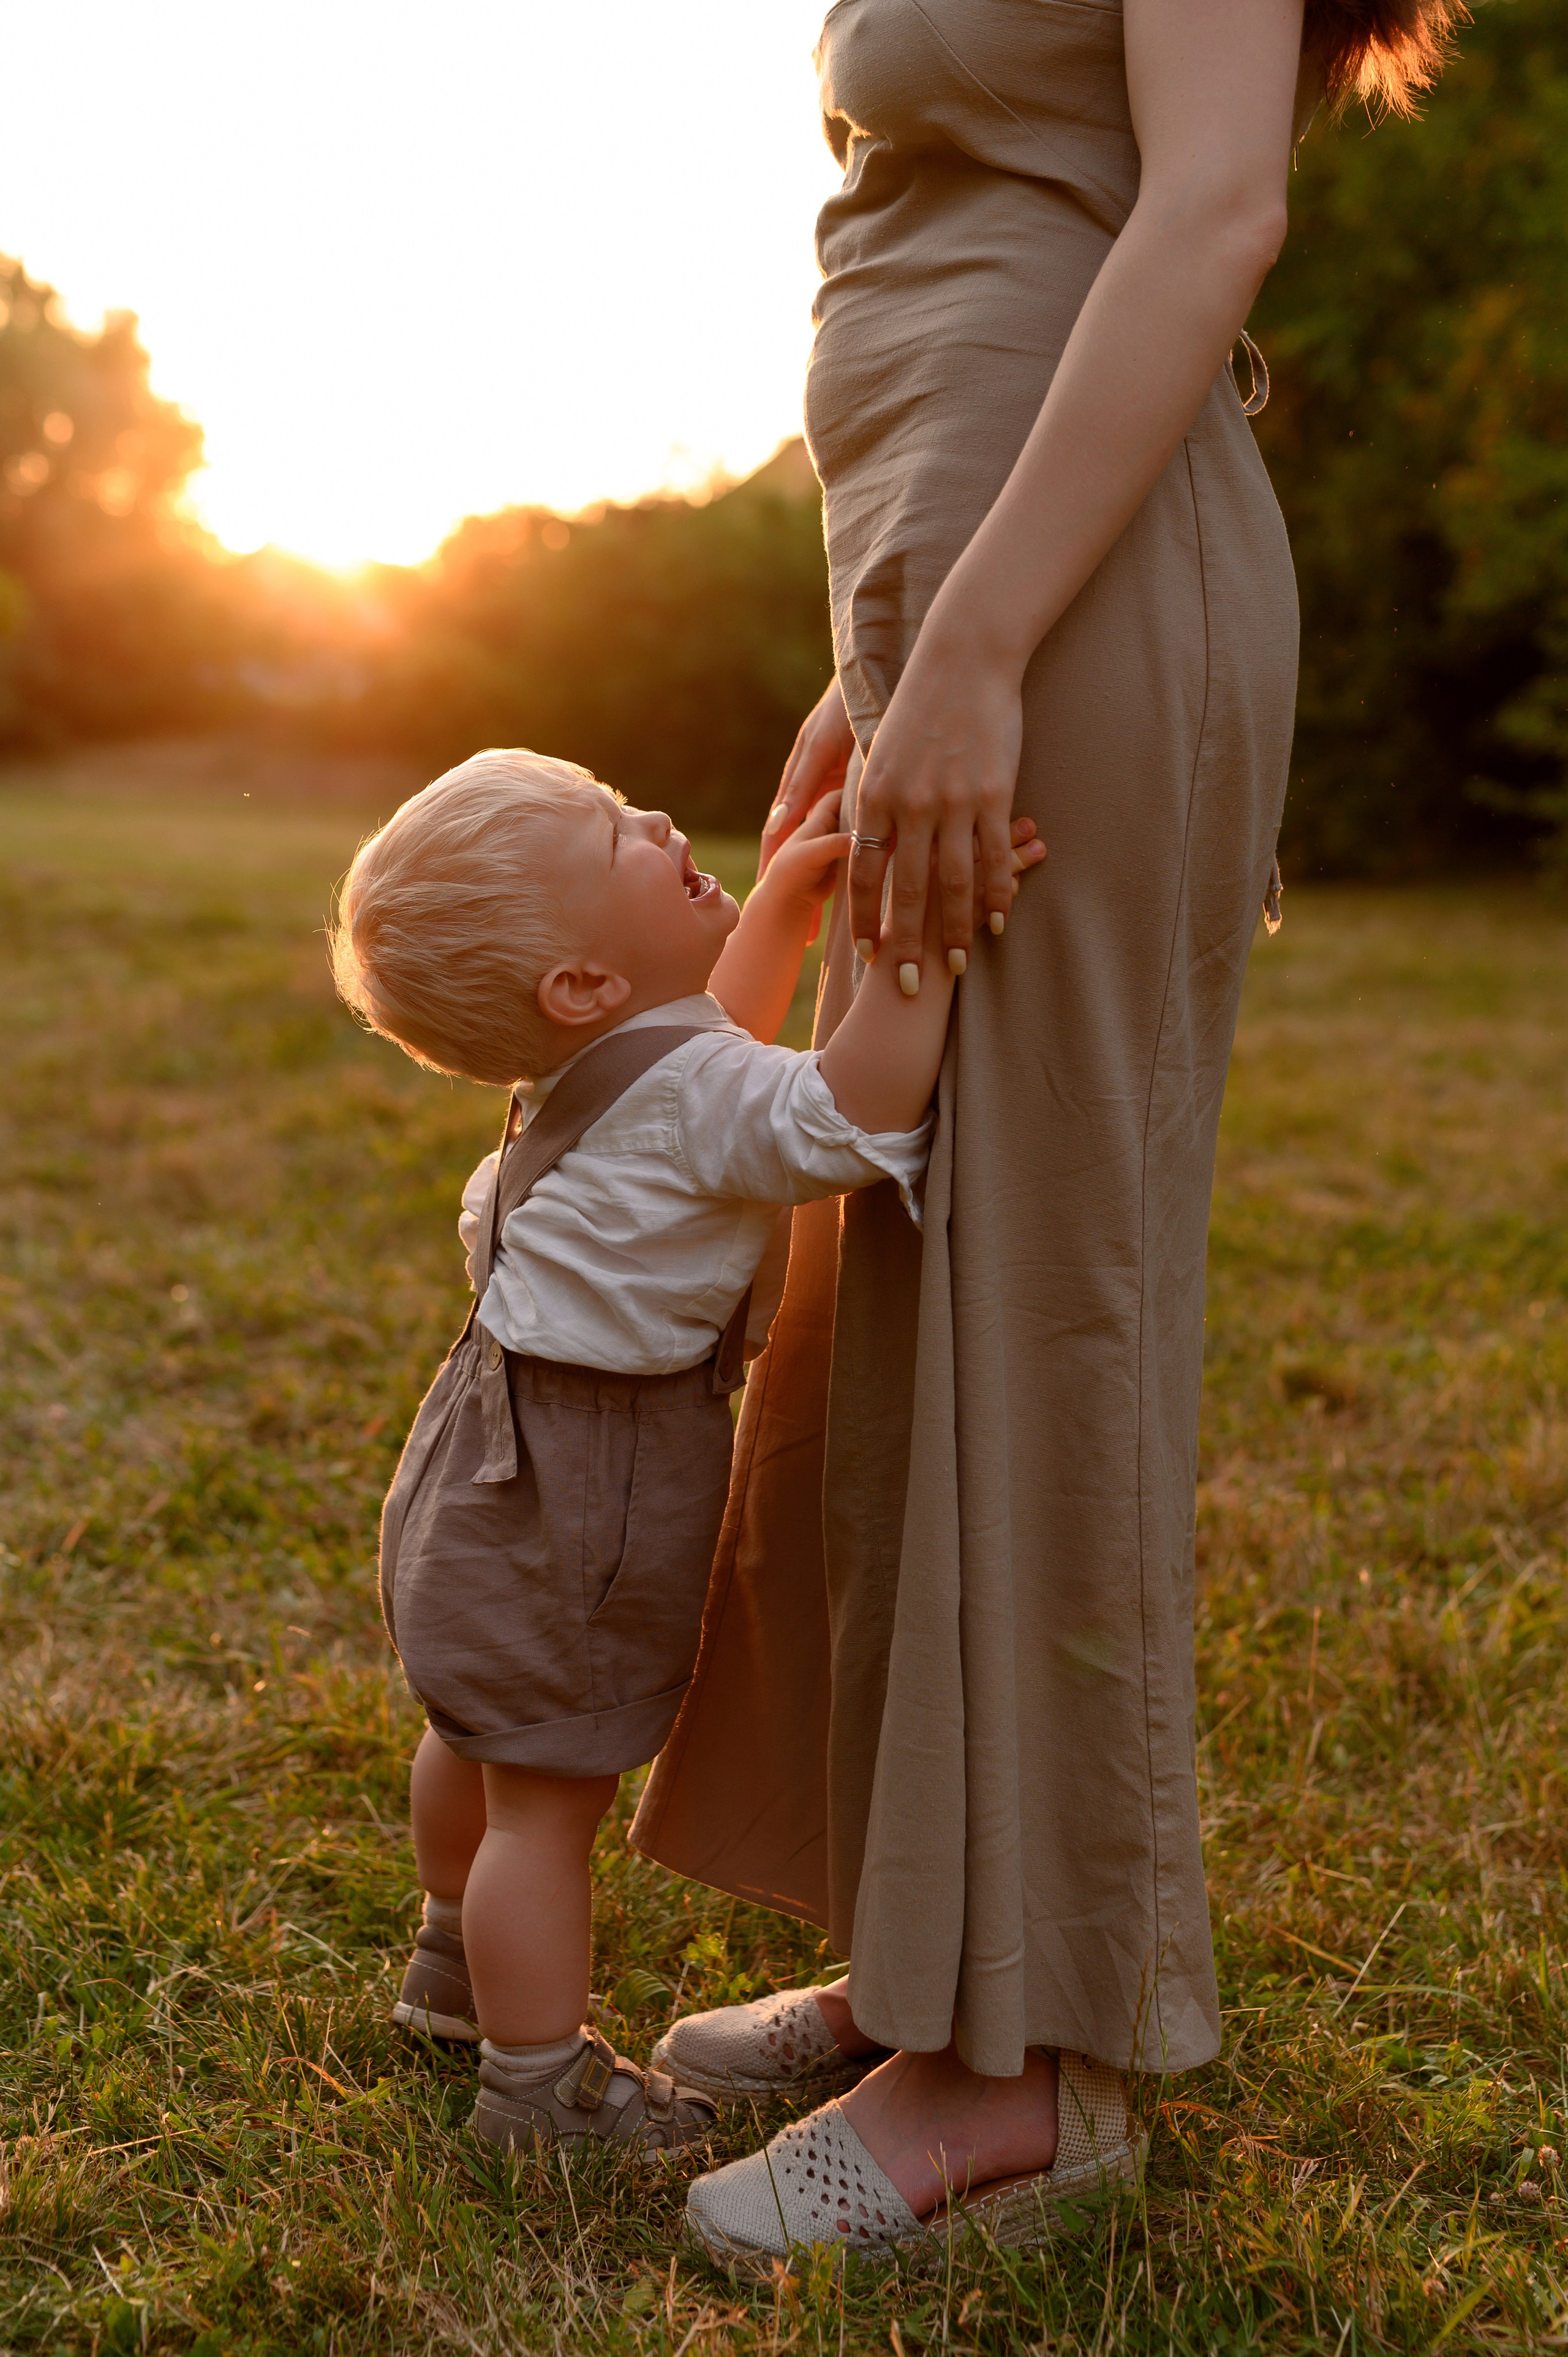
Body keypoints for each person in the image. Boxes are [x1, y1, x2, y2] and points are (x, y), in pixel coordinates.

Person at [637, 0, 1463, 2268]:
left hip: (1062, 603)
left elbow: (1211, 208)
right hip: (962, 574)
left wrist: (980, 647)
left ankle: (1018, 2070)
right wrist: (882, 653)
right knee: (909, 1249)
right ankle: (938, 1952)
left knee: (1036, 1273)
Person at [327, 747, 1042, 2156]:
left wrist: (774, 908)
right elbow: (847, 1109)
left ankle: (453, 1969)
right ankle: (535, 2090)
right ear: (581, 984)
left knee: (475, 1730)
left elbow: (705, 1046)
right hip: (586, 1481)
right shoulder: (681, 1100)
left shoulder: (600, 1068)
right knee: (546, 1796)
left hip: (484, 1450)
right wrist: (915, 946)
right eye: (617, 837)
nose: (657, 818)